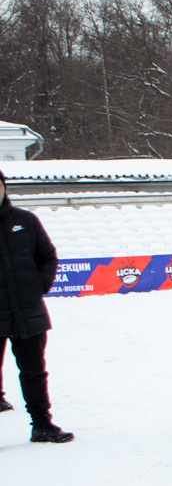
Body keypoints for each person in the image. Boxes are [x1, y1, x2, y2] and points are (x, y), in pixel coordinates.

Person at [0, 170, 71, 442]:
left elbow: (48, 255)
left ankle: (42, 424)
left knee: (34, 370)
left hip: (27, 308)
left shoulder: (25, 220)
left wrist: (39, 285)